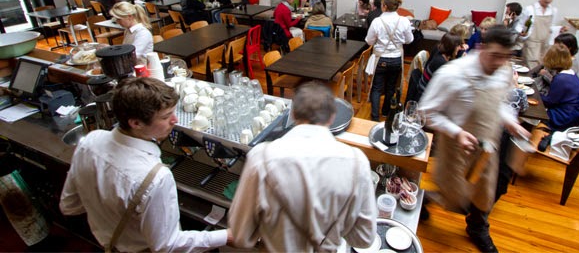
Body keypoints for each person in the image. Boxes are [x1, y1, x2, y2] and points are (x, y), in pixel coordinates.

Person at [60, 77, 232, 252]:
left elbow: (69, 206)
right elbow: (167, 246)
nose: (175, 120)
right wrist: (226, 236)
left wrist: (106, 208)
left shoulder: (90, 142)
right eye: (165, 117)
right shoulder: (155, 178)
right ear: (136, 123)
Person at [418, 25, 530, 253]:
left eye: (506, 57)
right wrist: (456, 132)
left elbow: (499, 103)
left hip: (488, 146)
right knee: (454, 195)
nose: (500, 62)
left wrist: (510, 121)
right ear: (481, 47)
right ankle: (423, 201)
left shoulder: (504, 70)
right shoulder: (453, 74)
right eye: (495, 55)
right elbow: (425, 112)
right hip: (457, 146)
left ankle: (478, 228)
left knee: (484, 193)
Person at [229, 82, 377, 252]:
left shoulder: (260, 158)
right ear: (332, 117)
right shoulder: (357, 163)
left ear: (293, 114)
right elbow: (364, 238)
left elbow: (240, 235)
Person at [365, 0, 414, 121]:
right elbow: (409, 40)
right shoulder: (404, 21)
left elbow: (369, 41)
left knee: (376, 88)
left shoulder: (377, 21)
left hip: (381, 59)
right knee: (391, 86)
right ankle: (386, 111)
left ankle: (375, 117)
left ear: (385, 6)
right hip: (397, 59)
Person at [407, 32, 463, 103]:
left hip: (424, 92)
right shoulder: (441, 63)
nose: (460, 48)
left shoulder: (439, 51)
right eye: (458, 46)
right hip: (425, 98)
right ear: (452, 47)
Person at [540, 44, 579, 131]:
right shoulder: (570, 73)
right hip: (573, 113)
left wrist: (535, 94)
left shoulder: (561, 79)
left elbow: (550, 102)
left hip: (565, 117)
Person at [521, 0, 560, 67]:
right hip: (532, 43)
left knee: (542, 66)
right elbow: (522, 25)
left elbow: (551, 26)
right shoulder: (530, 9)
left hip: (545, 44)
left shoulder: (553, 10)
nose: (548, 0)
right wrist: (523, 34)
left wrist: (560, 29)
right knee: (530, 66)